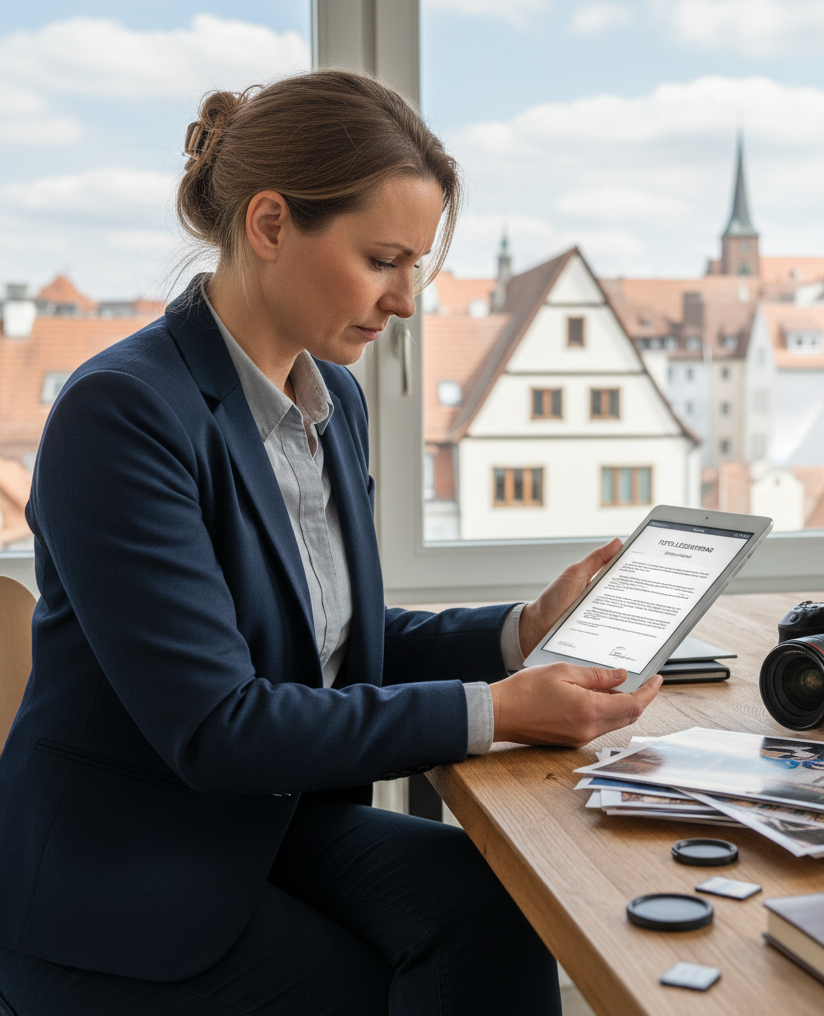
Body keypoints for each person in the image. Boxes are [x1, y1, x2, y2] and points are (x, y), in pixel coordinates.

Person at [0, 70, 661, 1015]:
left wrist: (521, 631)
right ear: (271, 225)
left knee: (501, 908)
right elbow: (220, 726)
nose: (405, 300)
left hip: (262, 827)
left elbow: (331, 642)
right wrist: (497, 711)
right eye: (384, 259)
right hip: (123, 878)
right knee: (368, 988)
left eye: (415, 265)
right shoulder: (123, 415)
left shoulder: (331, 401)